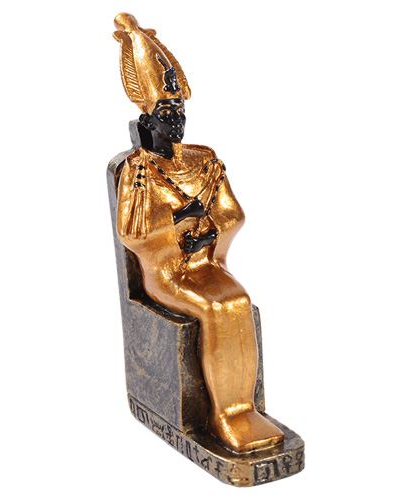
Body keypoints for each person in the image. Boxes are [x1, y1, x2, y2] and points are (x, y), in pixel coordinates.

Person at [113, 13, 284, 453]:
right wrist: (177, 227)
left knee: (237, 300)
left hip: (206, 261)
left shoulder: (204, 160)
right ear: (149, 118)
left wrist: (208, 232)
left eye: (180, 111)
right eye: (167, 113)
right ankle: (226, 416)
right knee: (216, 306)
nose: (177, 120)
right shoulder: (138, 171)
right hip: (166, 272)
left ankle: (242, 409)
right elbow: (134, 232)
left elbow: (231, 213)